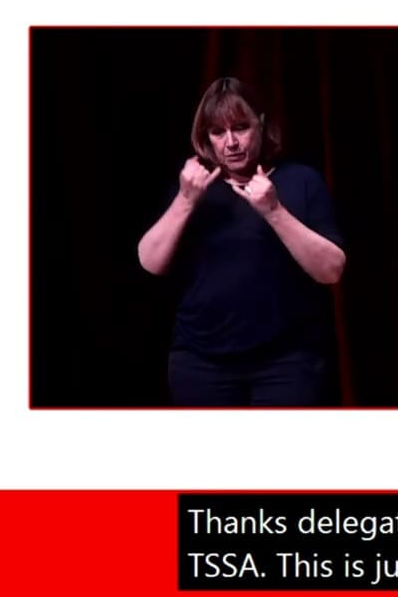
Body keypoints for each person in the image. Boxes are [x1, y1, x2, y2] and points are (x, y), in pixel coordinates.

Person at [136, 77, 347, 406]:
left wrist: (274, 210)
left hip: (287, 364)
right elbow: (150, 261)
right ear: (206, 137)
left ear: (261, 124)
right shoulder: (193, 186)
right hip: (201, 364)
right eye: (218, 132)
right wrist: (186, 200)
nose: (230, 142)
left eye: (240, 127)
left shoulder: (301, 180)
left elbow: (331, 270)